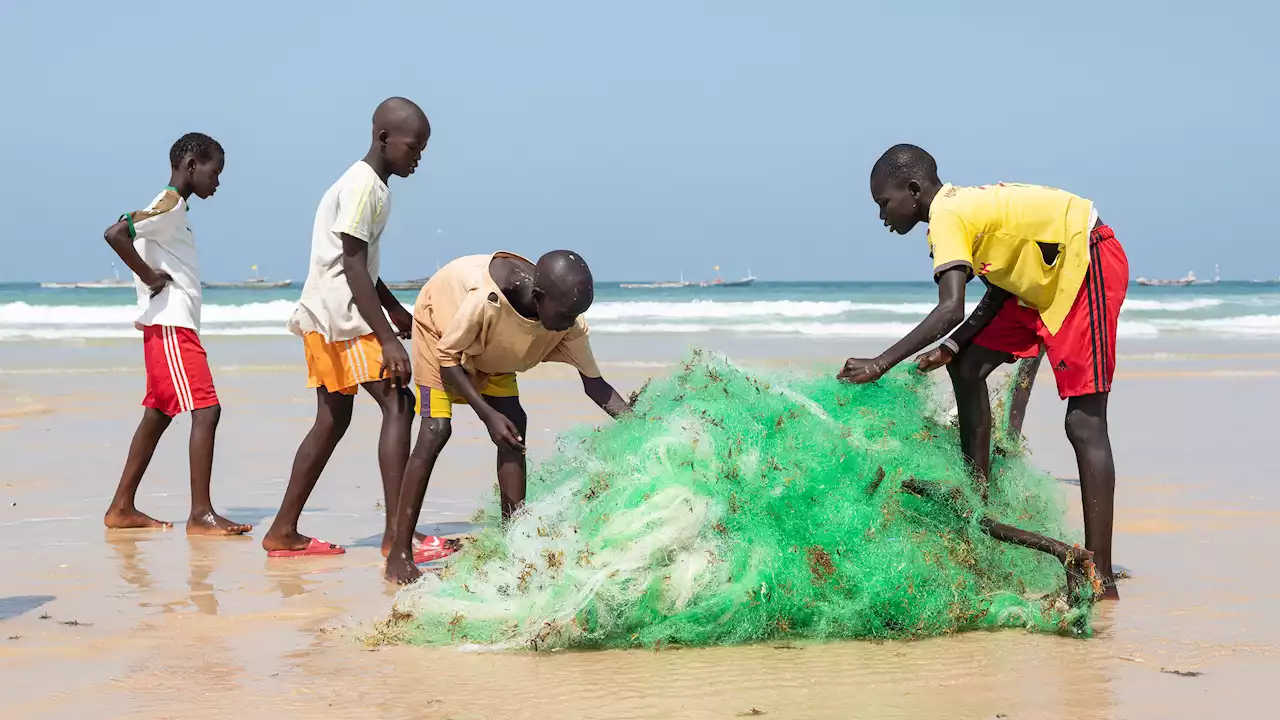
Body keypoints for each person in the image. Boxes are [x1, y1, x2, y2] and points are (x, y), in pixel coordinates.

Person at [840, 144, 1127, 600]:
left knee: (1084, 423)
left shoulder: (948, 217)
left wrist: (880, 364)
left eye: (884, 202)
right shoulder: (958, 211)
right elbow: (998, 285)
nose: (882, 215)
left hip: (1084, 261)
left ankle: (1102, 578)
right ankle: (979, 502)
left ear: (914, 191)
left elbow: (950, 307)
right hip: (1042, 276)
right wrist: (953, 347)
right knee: (968, 365)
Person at [384, 250, 631, 584]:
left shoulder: (566, 318)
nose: (570, 323)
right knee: (435, 430)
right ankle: (399, 553)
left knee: (515, 425)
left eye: (577, 314)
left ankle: (513, 543)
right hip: (441, 332)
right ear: (539, 297)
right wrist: (486, 415)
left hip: (496, 349)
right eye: (565, 314)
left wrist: (640, 423)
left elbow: (596, 386)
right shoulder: (486, 301)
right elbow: (448, 357)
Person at [261, 97, 439, 559]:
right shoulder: (364, 186)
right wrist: (384, 338)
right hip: (342, 317)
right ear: (383, 138)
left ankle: (283, 531)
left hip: (327, 312)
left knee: (332, 419)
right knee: (400, 403)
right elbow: (352, 264)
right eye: (414, 147)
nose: (418, 157)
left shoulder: (372, 185)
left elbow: (363, 267)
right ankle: (397, 536)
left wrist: (396, 312)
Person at [102, 133, 250, 536]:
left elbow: (131, 233)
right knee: (207, 409)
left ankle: (121, 507)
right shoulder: (168, 204)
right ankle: (200, 514)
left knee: (159, 414)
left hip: (167, 324)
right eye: (214, 172)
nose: (217, 182)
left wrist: (147, 278)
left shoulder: (173, 208)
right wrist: (148, 276)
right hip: (172, 325)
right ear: (191, 165)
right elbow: (116, 233)